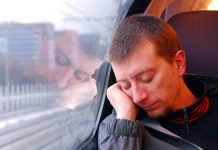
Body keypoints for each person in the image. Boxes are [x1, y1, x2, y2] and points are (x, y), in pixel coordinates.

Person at [98, 14, 218, 150]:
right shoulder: (116, 130)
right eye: (126, 85)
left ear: (179, 64)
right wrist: (126, 115)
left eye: (146, 79)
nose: (137, 97)